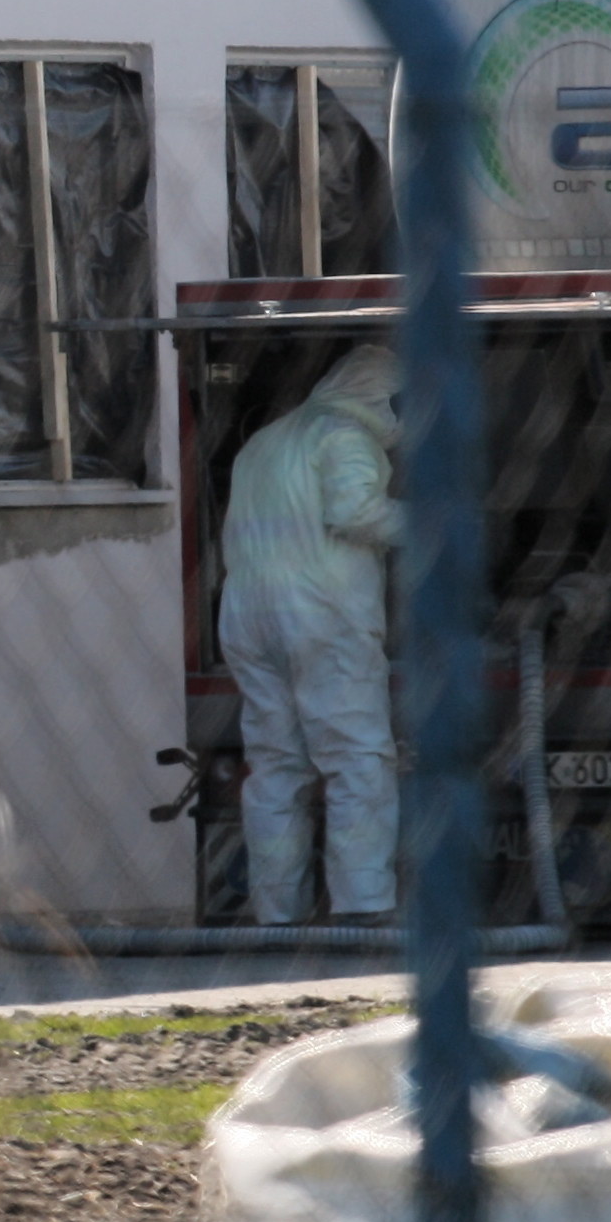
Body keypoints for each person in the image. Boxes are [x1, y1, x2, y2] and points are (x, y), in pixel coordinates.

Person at [219, 340, 404, 927]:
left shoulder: (264, 441)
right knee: (357, 757)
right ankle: (363, 906)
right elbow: (355, 512)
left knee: (275, 767)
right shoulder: (345, 435)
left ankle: (277, 914)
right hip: (323, 617)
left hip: (247, 617)